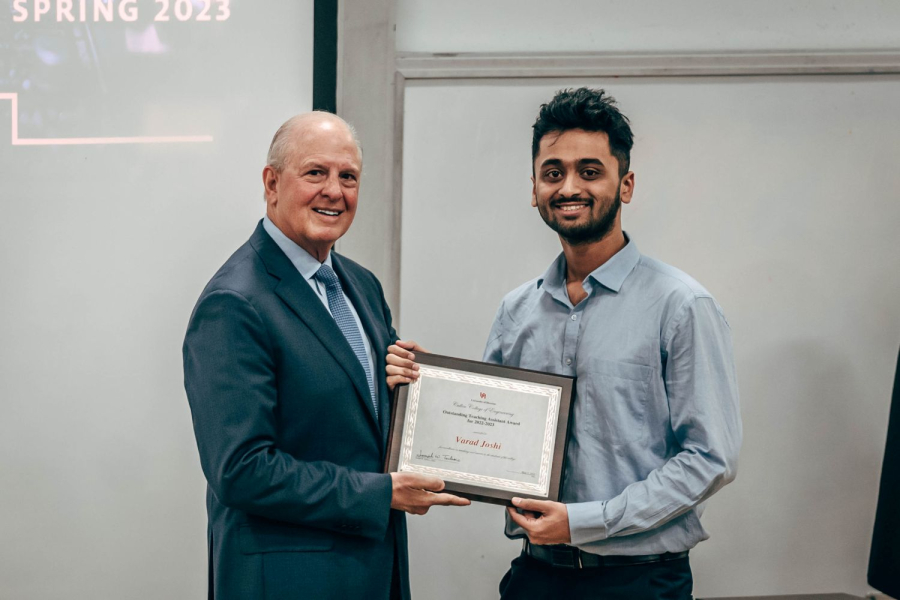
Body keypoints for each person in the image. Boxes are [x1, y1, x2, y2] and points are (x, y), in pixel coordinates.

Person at [387, 88, 742, 599]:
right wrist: (415, 388)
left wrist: (585, 522)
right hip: (536, 576)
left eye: (590, 171)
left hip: (639, 582)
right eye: (553, 172)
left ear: (626, 184)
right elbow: (481, 438)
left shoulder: (682, 307)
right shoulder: (517, 310)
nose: (569, 186)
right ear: (534, 188)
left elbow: (711, 458)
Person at [183, 111, 469, 600]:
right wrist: (380, 495)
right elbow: (242, 470)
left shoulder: (361, 284)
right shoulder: (233, 303)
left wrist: (411, 385)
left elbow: (355, 412)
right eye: (316, 173)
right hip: (287, 581)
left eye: (348, 177)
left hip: (372, 572)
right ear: (272, 184)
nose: (334, 191)